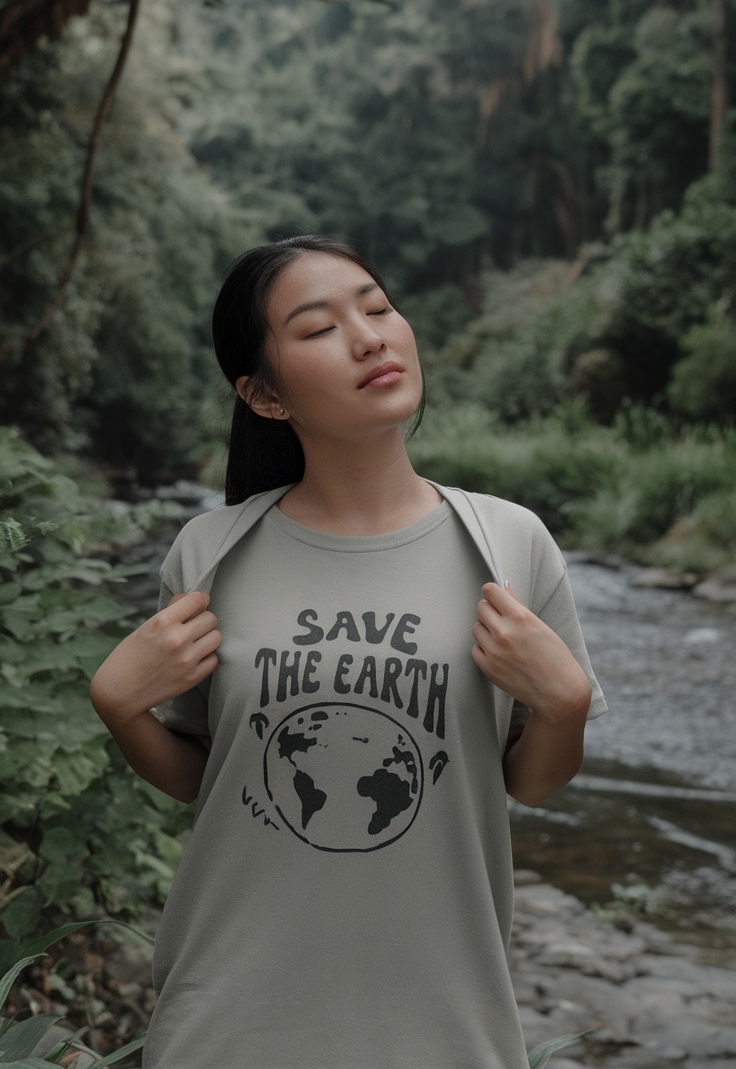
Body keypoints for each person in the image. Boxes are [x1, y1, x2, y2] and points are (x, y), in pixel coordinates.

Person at [90, 234, 606, 1069]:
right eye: (319, 327)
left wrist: (567, 703)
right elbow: (206, 777)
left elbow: (532, 781)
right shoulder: (208, 552)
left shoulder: (509, 543)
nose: (370, 336)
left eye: (376, 307)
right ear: (263, 395)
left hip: (446, 1023)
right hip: (227, 1019)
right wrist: (118, 709)